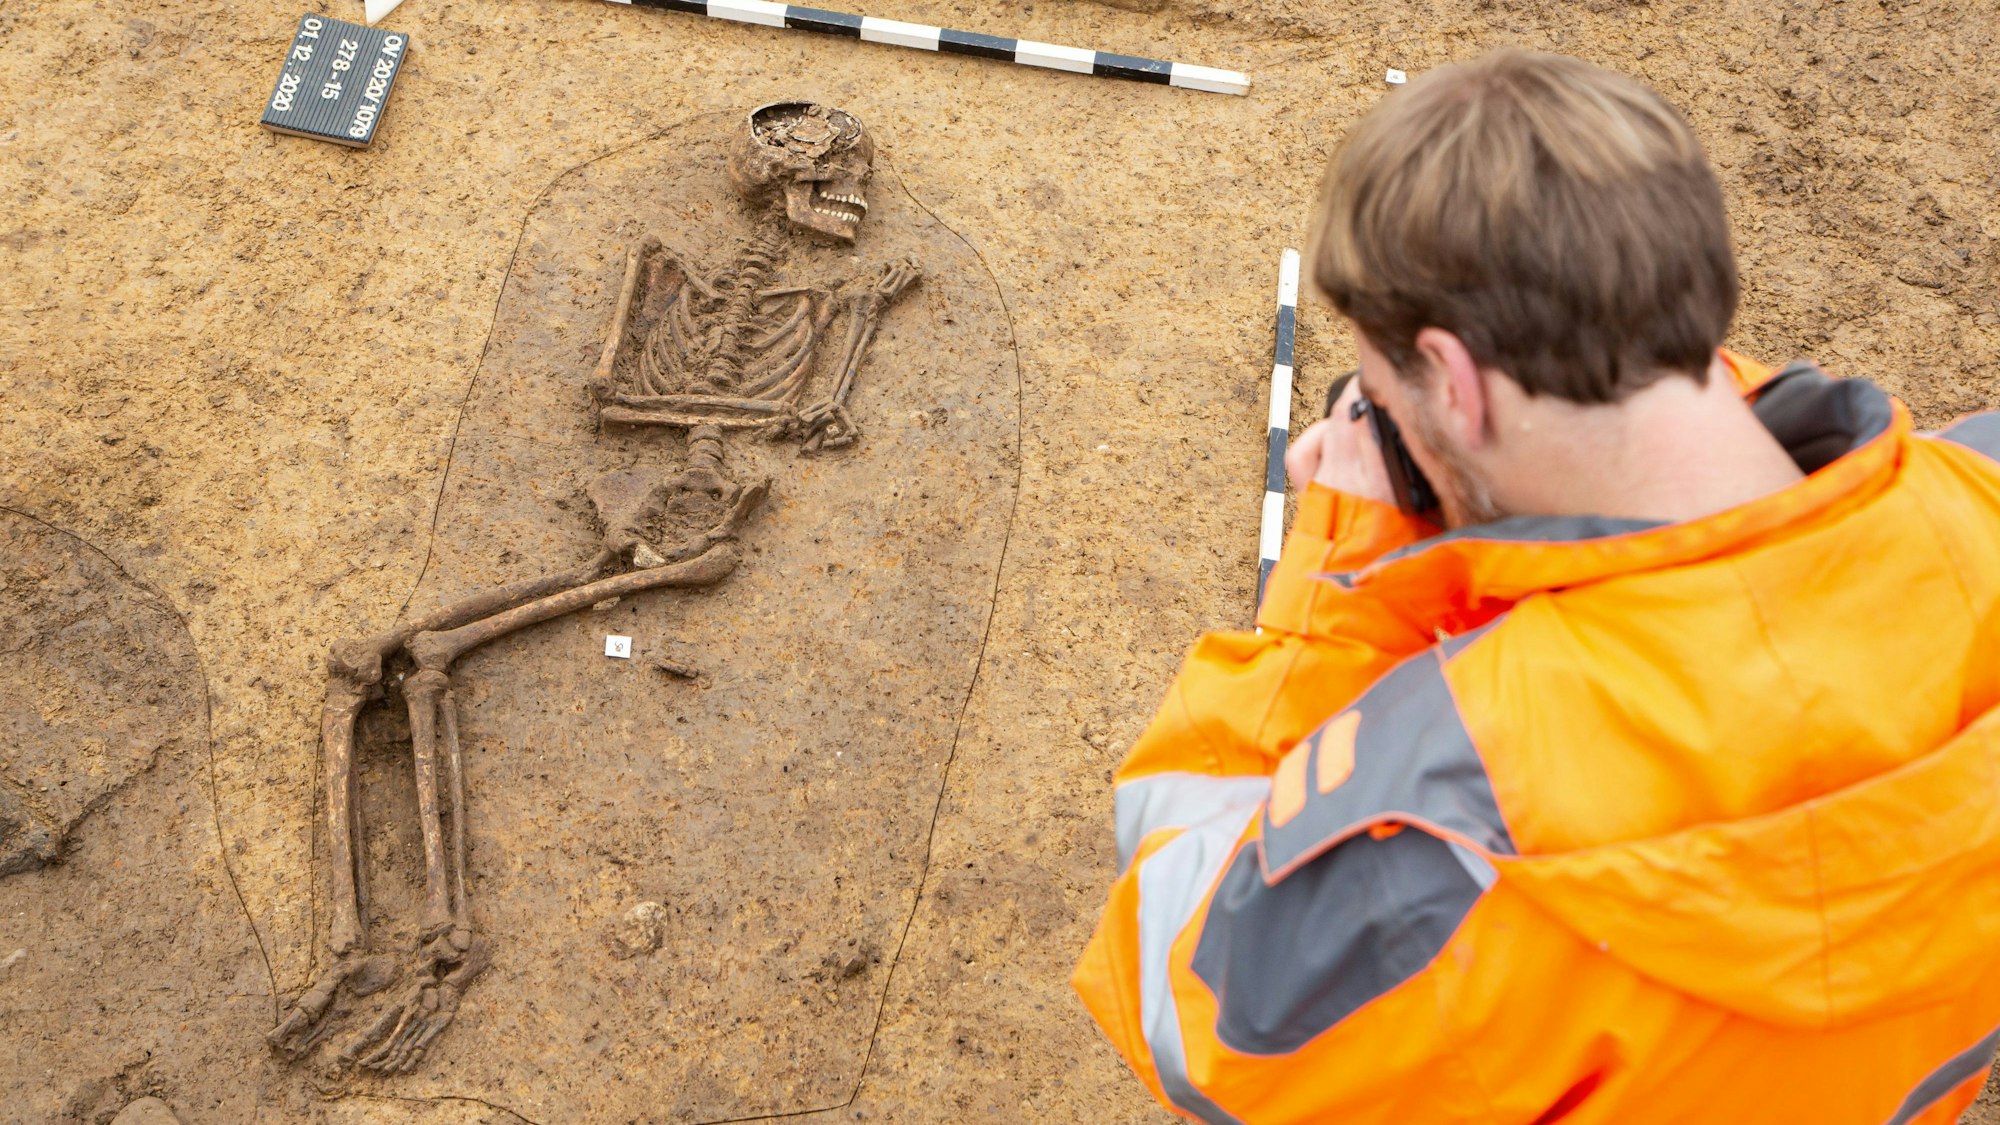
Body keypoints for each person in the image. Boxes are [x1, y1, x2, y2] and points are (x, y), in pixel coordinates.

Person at [1072, 47, 2000, 1125]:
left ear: (1456, 385)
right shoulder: (1975, 492)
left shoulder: (1434, 823)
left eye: (1374, 395)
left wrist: (1334, 601)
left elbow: (1188, 1017)